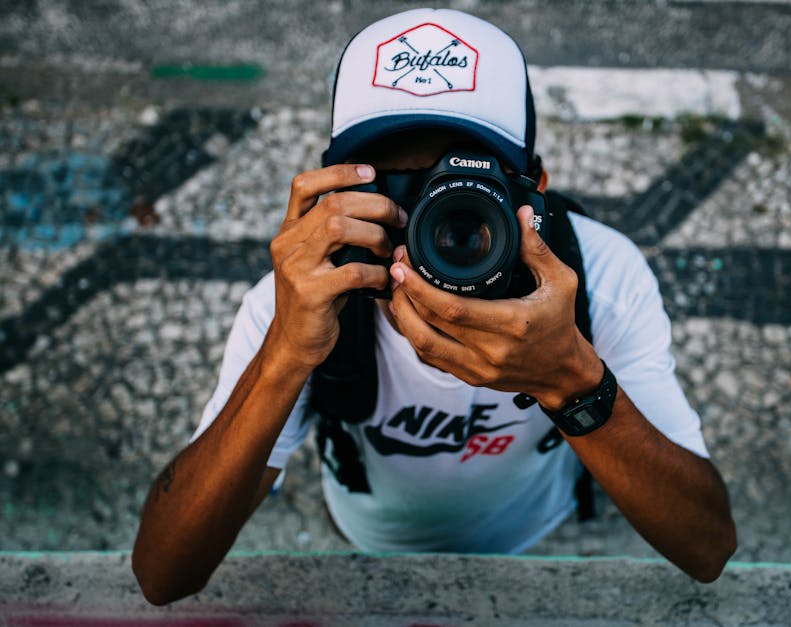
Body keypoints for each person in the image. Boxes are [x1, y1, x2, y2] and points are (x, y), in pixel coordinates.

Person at [132, 8, 736, 605]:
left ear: (536, 191)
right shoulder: (303, 302)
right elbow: (162, 575)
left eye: (470, 189)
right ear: (338, 196)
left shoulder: (599, 278)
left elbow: (707, 548)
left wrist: (568, 377)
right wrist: (286, 352)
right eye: (399, 189)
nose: (437, 223)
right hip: (368, 537)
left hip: (537, 533)